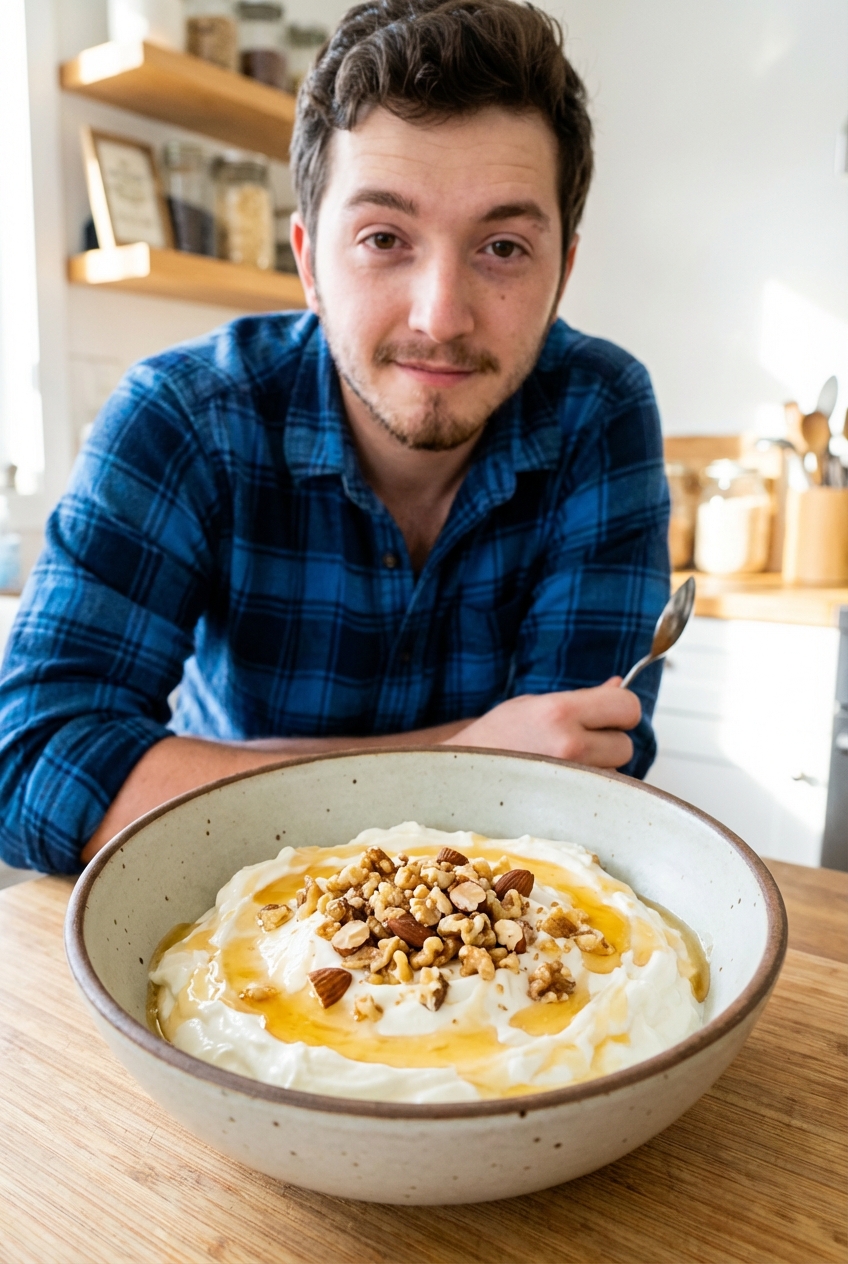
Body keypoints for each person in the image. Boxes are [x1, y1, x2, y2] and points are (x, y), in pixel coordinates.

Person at [0, 0, 669, 875]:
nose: (441, 316)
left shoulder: (600, 406)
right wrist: (461, 759)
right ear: (309, 262)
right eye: (384, 237)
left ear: (561, 273)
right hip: (223, 931)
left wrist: (246, 788)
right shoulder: (186, 411)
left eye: (502, 247)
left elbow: (585, 780)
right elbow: (33, 766)